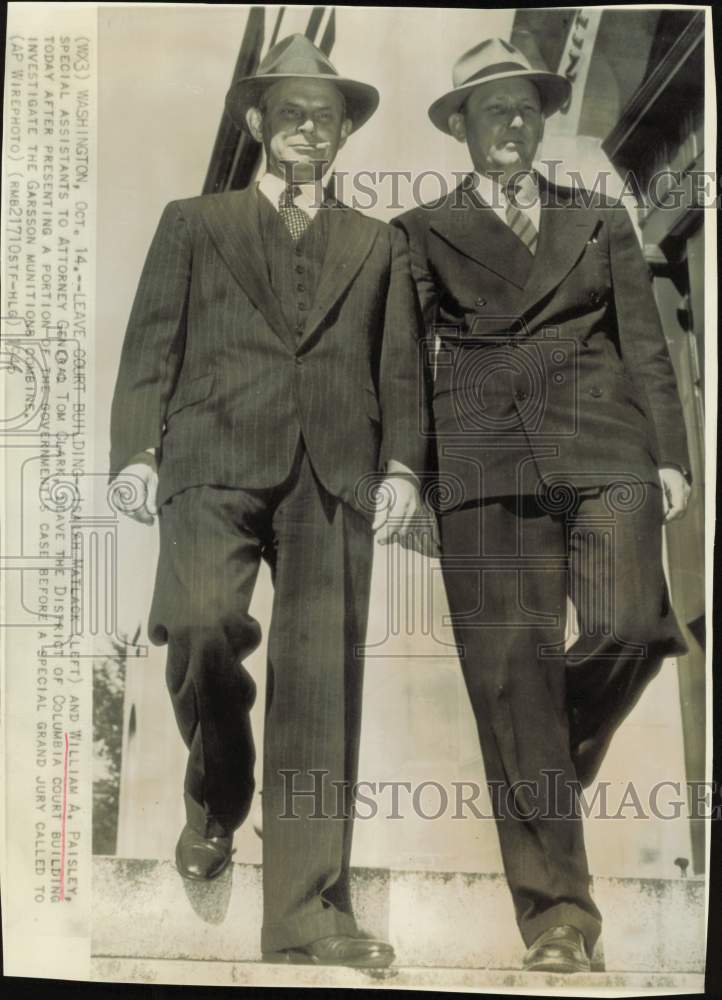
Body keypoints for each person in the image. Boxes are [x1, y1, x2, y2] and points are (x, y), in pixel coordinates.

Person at [109, 34, 427, 968]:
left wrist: (404, 468)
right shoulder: (193, 222)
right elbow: (149, 347)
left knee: (321, 686)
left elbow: (400, 367)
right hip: (210, 457)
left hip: (336, 471)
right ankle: (218, 792)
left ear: (343, 136)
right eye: (289, 111)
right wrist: (135, 453)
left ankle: (305, 912)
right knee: (201, 622)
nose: (306, 128)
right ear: (257, 122)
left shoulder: (379, 244)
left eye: (324, 116)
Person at [393, 37, 691, 974]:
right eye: (492, 112)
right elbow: (405, 363)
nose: (511, 125)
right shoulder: (419, 230)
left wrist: (672, 458)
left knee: (633, 627)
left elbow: (644, 345)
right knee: (512, 674)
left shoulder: (599, 219)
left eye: (525, 108)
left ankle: (541, 750)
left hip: (607, 448)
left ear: (543, 118)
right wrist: (407, 473)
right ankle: (561, 918)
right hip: (484, 466)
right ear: (463, 129)